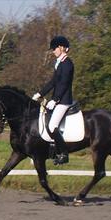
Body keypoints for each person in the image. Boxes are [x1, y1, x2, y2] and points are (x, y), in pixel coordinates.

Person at [32, 35, 74, 165]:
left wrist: (55, 100)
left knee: (52, 126)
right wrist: (39, 93)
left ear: (61, 47)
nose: (53, 51)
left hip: (64, 101)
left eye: (54, 48)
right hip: (58, 99)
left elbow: (64, 84)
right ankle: (50, 151)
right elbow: (53, 82)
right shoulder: (59, 63)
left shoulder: (67, 64)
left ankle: (64, 154)